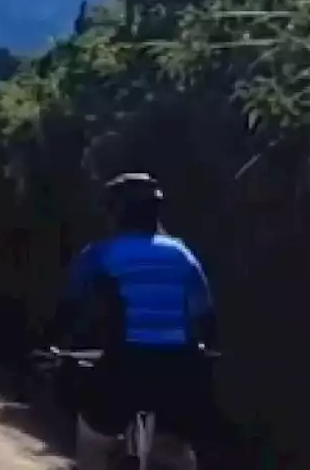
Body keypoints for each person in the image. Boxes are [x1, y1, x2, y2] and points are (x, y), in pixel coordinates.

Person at [46, 172, 220, 470]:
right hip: (180, 369)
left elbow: (70, 308)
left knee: (94, 437)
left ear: (117, 213)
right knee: (175, 447)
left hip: (124, 365)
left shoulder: (100, 254)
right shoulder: (182, 253)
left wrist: (54, 346)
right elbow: (205, 316)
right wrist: (209, 349)